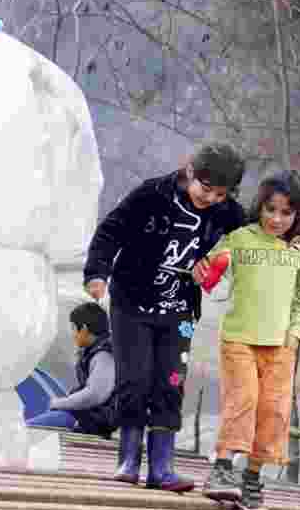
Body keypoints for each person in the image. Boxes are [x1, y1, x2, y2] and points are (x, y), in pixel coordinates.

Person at [83, 143, 247, 492]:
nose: (211, 199)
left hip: (181, 311)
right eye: (206, 189)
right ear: (189, 171)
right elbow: (111, 230)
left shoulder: (229, 212)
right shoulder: (151, 194)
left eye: (220, 194)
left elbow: (251, 239)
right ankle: (128, 459)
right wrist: (97, 272)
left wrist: (222, 261)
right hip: (132, 306)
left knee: (171, 382)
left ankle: (162, 466)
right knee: (135, 380)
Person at [197, 170, 300, 510]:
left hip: (281, 346)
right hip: (239, 338)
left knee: (274, 412)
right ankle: (221, 469)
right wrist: (207, 269)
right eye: (271, 209)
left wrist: (295, 337)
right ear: (259, 206)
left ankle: (251, 478)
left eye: (286, 212)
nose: (277, 219)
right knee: (243, 400)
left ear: (297, 214)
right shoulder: (239, 237)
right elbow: (206, 266)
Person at [27, 303, 117, 437]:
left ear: (84, 329)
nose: (73, 334)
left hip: (93, 420)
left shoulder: (103, 355)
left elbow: (95, 394)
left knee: (29, 429)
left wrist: (60, 403)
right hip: (90, 417)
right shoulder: (95, 351)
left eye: (74, 328)